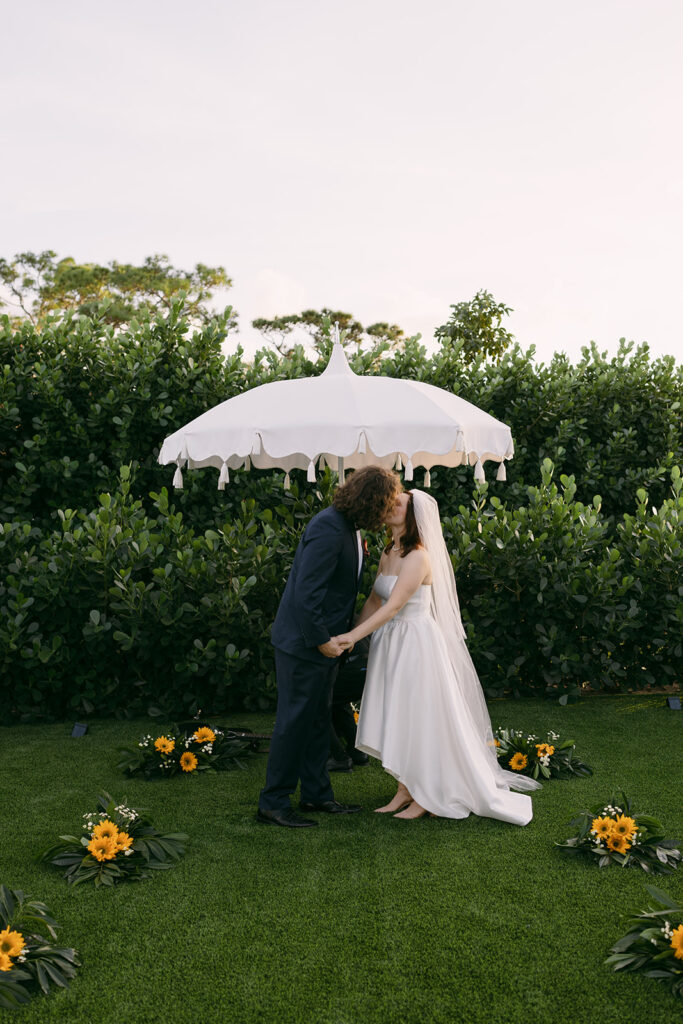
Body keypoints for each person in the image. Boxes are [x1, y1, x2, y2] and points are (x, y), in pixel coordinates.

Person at [334, 489, 540, 823]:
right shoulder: (390, 550)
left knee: (420, 718)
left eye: (397, 504)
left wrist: (350, 637)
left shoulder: (418, 556)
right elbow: (375, 598)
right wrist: (354, 639)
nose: (388, 506)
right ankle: (405, 788)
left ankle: (426, 796)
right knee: (398, 714)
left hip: (415, 644)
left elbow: (395, 605)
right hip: (390, 644)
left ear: (412, 515)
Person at [257, 465, 401, 828]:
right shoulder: (328, 526)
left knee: (318, 720)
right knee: (294, 723)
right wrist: (321, 640)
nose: (387, 514)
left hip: (326, 645)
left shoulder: (346, 526)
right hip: (304, 644)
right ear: (371, 502)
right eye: (386, 505)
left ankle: (317, 795)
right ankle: (273, 802)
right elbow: (306, 593)